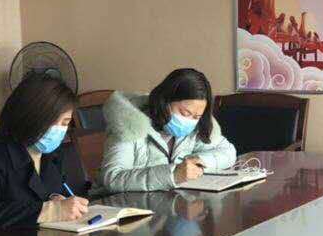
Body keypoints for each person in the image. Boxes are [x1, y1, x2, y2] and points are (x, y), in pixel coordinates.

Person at [0, 73, 91, 236]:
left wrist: (57, 199)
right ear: (30, 116)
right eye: (54, 121)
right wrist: (50, 210)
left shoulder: (51, 153)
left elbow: (50, 193)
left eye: (65, 123)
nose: (59, 130)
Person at [98, 68, 236, 192]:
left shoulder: (196, 128)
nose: (190, 121)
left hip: (169, 204)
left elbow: (228, 151)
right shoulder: (129, 124)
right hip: (126, 206)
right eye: (185, 113)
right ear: (164, 101)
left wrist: (198, 162)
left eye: (196, 117)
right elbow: (112, 178)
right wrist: (173, 175)